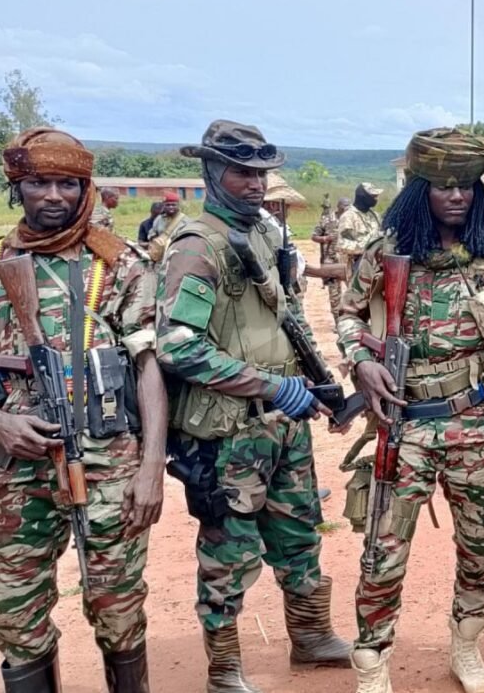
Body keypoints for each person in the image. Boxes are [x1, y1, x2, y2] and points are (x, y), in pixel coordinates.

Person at [156, 119, 351, 692]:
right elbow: (177, 346)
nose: (256, 184)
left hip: (283, 424)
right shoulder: (198, 245)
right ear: (212, 173)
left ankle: (311, 638)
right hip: (227, 431)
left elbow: (287, 317)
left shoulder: (264, 234)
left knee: (300, 534)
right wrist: (268, 385)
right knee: (229, 552)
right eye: (242, 172)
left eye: (262, 172)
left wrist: (318, 383)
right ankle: (225, 670)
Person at [337, 128, 484, 693]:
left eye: (465, 186)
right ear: (420, 193)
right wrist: (359, 363)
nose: (456, 196)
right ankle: (373, 661)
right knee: (384, 548)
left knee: (479, 542)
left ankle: (466, 643)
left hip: (476, 420)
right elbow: (347, 314)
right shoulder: (387, 252)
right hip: (405, 420)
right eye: (442, 187)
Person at [0, 128, 167, 692]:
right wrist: (1, 421)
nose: (52, 196)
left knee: (117, 604)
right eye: (37, 183)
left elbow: (150, 369)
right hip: (16, 469)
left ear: (85, 188)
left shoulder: (118, 265)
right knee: (17, 611)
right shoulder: (0, 268)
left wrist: (150, 470)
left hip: (110, 462)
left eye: (66, 183)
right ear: (16, 187)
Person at [312, 196, 350, 321]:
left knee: (354, 291)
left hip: (348, 262)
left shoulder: (352, 219)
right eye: (344, 206)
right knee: (334, 294)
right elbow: (314, 236)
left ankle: (353, 320)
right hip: (331, 261)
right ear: (338, 206)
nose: (346, 209)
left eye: (348, 206)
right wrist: (324, 239)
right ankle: (338, 321)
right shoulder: (327, 219)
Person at [338, 183, 383, 272]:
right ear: (363, 197)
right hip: (357, 269)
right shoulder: (348, 217)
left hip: (376, 267)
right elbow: (343, 245)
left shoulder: (375, 216)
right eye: (373, 196)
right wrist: (369, 247)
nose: (376, 199)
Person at [147, 191, 184, 263]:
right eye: (168, 205)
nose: (171, 207)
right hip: (160, 256)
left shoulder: (185, 221)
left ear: (178, 205)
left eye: (173, 205)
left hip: (178, 256)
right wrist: (156, 239)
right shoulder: (159, 219)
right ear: (164, 205)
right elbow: (151, 234)